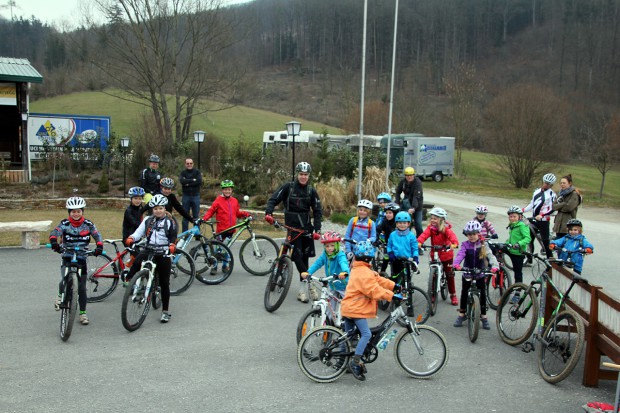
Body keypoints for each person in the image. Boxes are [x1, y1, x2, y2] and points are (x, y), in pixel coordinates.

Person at [340, 239, 399, 381]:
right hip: (355, 309)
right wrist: (391, 295)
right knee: (366, 334)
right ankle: (354, 363)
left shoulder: (360, 268)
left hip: (349, 307)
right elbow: (373, 289)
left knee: (348, 336)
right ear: (368, 257)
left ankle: (342, 362)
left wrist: (394, 286)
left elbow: (378, 279)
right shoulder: (363, 272)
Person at [265, 161, 322, 303]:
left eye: (306, 175)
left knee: (305, 259)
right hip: (292, 228)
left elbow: (317, 211)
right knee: (296, 257)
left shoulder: (311, 191)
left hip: (306, 229)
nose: (303, 177)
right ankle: (308, 282)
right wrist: (269, 213)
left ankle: (303, 289)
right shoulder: (287, 187)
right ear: (297, 174)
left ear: (309, 176)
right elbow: (274, 199)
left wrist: (317, 228)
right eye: (301, 174)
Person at [49, 196, 104, 325]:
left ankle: (83, 313)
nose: (76, 214)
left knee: (82, 287)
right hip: (67, 254)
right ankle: (59, 295)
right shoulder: (64, 224)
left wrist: (99, 246)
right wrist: (53, 242)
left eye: (78, 211)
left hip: (81, 256)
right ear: (69, 212)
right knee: (64, 279)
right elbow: (55, 232)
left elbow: (97, 234)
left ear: (82, 211)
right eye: (73, 211)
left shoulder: (88, 224)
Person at [125, 194, 177, 323]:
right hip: (149, 248)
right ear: (152, 210)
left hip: (163, 252)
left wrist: (171, 246)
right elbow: (139, 232)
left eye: (160, 208)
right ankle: (130, 280)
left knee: (164, 283)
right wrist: (132, 238)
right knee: (136, 261)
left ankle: (165, 311)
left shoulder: (170, 222)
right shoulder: (148, 220)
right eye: (155, 209)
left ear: (165, 209)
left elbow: (173, 237)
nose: (158, 211)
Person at [453, 221, 499, 330]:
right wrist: (456, 264)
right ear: (466, 235)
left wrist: (495, 266)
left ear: (479, 233)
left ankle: (483, 316)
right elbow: (460, 255)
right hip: (468, 272)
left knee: (482, 294)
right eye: (469, 234)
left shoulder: (484, 244)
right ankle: (462, 314)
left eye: (474, 234)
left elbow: (490, 256)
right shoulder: (465, 245)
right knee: (464, 292)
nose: (472, 236)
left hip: (480, 273)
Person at [201, 180, 250, 274]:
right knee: (218, 249)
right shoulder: (218, 201)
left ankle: (224, 265)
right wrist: (205, 218)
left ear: (232, 190)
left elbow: (237, 213)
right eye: (225, 190)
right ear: (222, 190)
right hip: (221, 230)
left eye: (229, 189)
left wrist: (246, 214)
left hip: (231, 230)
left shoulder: (234, 201)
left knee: (227, 248)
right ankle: (214, 266)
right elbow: (211, 211)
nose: (227, 191)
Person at [417, 207, 459, 305]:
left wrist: (454, 244)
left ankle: (453, 294)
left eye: (435, 218)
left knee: (449, 274)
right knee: (434, 274)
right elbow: (423, 235)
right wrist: (419, 242)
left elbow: (453, 238)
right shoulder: (430, 228)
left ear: (441, 220)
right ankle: (432, 293)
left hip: (446, 254)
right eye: (431, 218)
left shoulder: (446, 229)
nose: (432, 220)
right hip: (435, 253)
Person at [301, 231, 349, 299]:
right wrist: (308, 272)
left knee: (348, 307)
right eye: (327, 246)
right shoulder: (325, 255)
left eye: (332, 245)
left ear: (337, 245)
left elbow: (343, 263)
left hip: (343, 285)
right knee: (328, 307)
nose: (329, 248)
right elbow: (317, 263)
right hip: (332, 285)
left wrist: (345, 272)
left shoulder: (340, 255)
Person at [524, 173, 557, 257]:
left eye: (548, 184)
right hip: (534, 219)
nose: (546, 185)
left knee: (545, 241)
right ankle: (529, 258)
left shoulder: (552, 194)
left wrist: (542, 215)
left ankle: (550, 261)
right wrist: (523, 210)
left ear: (551, 185)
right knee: (529, 239)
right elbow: (532, 203)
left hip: (544, 221)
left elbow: (552, 209)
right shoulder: (537, 191)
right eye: (545, 182)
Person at [505, 205, 531, 302]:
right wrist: (505, 243)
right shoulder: (512, 225)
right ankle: (500, 274)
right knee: (496, 249)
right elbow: (511, 238)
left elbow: (527, 238)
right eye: (511, 216)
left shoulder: (522, 226)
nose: (512, 218)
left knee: (517, 273)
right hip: (510, 249)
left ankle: (517, 293)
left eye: (514, 216)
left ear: (520, 217)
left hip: (518, 252)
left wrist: (519, 244)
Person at [387, 211, 419, 286]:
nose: (402, 225)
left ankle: (407, 289)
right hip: (396, 259)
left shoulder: (411, 235)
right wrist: (390, 253)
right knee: (395, 277)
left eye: (404, 223)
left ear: (408, 224)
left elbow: (414, 248)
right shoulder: (393, 235)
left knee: (406, 277)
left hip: (407, 260)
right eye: (400, 223)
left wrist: (415, 257)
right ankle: (396, 290)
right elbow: (389, 246)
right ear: (396, 223)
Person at [122, 186, 145, 281]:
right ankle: (129, 279)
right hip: (129, 238)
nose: (137, 200)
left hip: (137, 238)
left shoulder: (140, 209)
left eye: (140, 198)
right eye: (135, 198)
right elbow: (136, 223)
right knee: (139, 260)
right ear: (131, 199)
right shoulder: (129, 211)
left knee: (140, 257)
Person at [395, 167, 424, 236]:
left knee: (418, 224)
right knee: (402, 220)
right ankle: (402, 236)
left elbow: (416, 197)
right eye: (407, 175)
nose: (409, 177)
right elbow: (398, 192)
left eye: (411, 175)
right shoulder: (403, 182)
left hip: (417, 205)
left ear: (414, 175)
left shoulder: (418, 183)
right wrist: (397, 203)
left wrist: (413, 208)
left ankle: (420, 240)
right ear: (405, 176)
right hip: (406, 203)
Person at [552, 174, 582, 240]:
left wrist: (559, 206)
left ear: (570, 183)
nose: (562, 184)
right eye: (561, 183)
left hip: (568, 225)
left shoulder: (574, 194)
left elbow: (568, 208)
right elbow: (553, 206)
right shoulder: (560, 194)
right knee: (557, 245)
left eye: (564, 183)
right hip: (558, 225)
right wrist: (564, 204)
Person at [179, 158, 202, 233]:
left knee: (196, 217)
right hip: (186, 196)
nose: (189, 165)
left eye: (190, 163)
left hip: (195, 196)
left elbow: (199, 181)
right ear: (185, 164)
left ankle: (197, 235)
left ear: (193, 164)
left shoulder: (197, 172)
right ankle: (184, 235)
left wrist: (187, 183)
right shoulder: (183, 173)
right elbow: (182, 181)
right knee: (185, 216)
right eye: (187, 163)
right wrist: (193, 180)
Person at [376, 202, 399, 272]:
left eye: (390, 213)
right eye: (387, 213)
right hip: (388, 245)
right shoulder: (385, 222)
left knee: (398, 262)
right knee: (386, 259)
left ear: (395, 214)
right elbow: (378, 229)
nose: (388, 215)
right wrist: (376, 239)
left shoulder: (399, 223)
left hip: (398, 245)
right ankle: (382, 273)